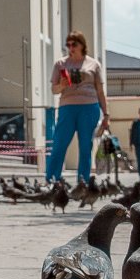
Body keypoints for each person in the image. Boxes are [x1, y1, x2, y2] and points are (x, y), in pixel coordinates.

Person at [46, 32, 106, 184]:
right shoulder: (61, 64)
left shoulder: (93, 64)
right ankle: (52, 180)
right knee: (59, 144)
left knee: (86, 146)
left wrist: (106, 114)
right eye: (68, 45)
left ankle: (83, 182)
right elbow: (54, 89)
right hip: (67, 107)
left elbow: (100, 91)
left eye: (74, 44)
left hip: (89, 107)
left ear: (82, 45)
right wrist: (62, 85)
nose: (71, 48)